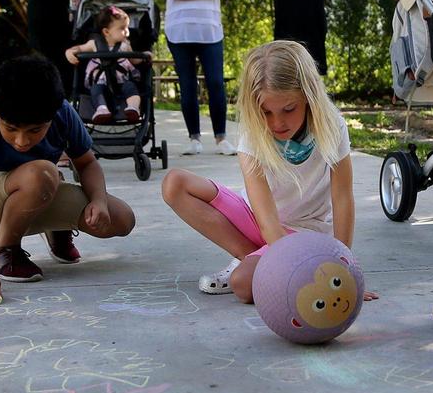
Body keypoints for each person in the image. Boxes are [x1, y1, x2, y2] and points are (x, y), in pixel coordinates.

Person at [161, 40, 375, 302]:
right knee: (174, 183)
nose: (277, 122)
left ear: (309, 97)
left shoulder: (332, 126)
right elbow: (266, 218)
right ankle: (248, 256)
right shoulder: (253, 132)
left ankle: (254, 263)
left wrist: (343, 270)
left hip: (305, 232)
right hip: (258, 221)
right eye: (266, 112)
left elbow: (342, 198)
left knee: (243, 284)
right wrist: (284, 263)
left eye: (288, 109)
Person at [0, 54, 135, 299]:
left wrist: (98, 201)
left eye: (35, 130)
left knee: (121, 219)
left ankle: (56, 229)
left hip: (41, 189)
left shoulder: (63, 114)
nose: (21, 141)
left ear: (55, 111)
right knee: (43, 173)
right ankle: (4, 249)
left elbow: (87, 163)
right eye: (11, 129)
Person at [160, 0, 236, 156]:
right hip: (179, 30)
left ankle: (221, 138)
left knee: (215, 82)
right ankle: (194, 138)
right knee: (188, 84)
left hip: (209, 30)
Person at [65, 5, 144, 125]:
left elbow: (134, 60)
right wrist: (69, 52)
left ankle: (133, 108)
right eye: (122, 28)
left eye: (127, 27)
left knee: (131, 87)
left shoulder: (125, 45)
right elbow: (79, 48)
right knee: (96, 89)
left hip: (121, 82)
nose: (127, 32)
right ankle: (102, 109)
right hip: (100, 83)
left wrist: (145, 56)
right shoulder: (94, 44)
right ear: (106, 31)